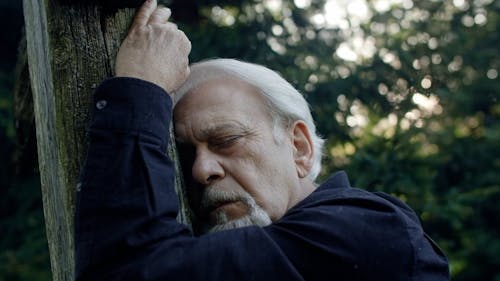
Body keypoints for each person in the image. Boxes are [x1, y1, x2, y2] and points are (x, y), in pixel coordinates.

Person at [74, 0, 450, 280]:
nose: (201, 170)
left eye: (227, 139)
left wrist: (139, 90)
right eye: (185, 155)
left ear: (299, 147)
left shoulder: (364, 232)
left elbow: (128, 270)